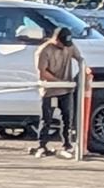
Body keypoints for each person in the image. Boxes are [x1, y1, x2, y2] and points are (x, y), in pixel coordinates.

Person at [31, 25, 84, 158]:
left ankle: (67, 144)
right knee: (46, 119)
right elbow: (42, 73)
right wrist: (59, 81)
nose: (65, 46)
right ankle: (42, 145)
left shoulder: (69, 46)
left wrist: (84, 70)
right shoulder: (44, 51)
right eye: (62, 43)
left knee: (67, 118)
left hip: (66, 90)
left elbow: (80, 58)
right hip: (49, 89)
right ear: (56, 39)